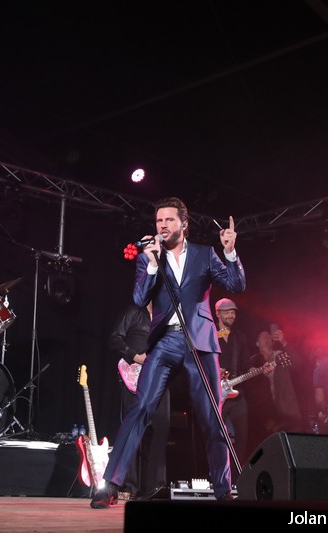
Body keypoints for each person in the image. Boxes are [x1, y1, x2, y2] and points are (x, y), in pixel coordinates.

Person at [91, 196, 245, 508]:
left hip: (199, 341)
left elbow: (236, 284)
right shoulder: (150, 257)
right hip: (165, 341)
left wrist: (230, 252)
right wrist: (151, 263)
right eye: (159, 220)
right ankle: (110, 486)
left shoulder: (204, 254)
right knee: (141, 408)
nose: (162, 225)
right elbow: (139, 299)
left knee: (212, 414)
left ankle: (223, 489)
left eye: (169, 220)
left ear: (184, 224)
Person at [108, 301, 170, 500]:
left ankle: (156, 486)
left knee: (161, 428)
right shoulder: (134, 312)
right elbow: (115, 338)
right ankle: (129, 485)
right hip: (134, 376)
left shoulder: (167, 317)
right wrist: (135, 356)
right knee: (133, 427)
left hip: (160, 376)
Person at [247, 326, 305, 450]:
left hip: (288, 414)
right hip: (266, 417)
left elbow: (298, 363)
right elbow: (251, 392)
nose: (267, 337)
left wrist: (284, 342)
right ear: (257, 343)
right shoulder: (252, 362)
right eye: (263, 336)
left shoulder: (280, 356)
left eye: (269, 336)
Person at [214, 297, 251, 463]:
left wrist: (260, 370)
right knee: (217, 437)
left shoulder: (240, 338)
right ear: (217, 314)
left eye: (233, 312)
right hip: (216, 394)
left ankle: (238, 474)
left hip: (238, 394)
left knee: (242, 437)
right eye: (227, 312)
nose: (231, 315)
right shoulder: (209, 336)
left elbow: (247, 365)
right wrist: (215, 370)